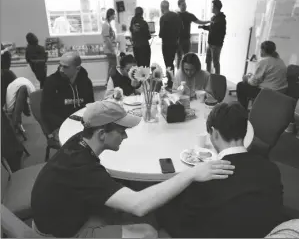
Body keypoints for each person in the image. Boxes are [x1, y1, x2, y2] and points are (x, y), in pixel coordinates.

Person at [31, 99, 235, 238]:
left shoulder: (79, 141)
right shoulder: (83, 168)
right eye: (121, 132)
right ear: (102, 134)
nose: (125, 136)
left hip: (62, 214)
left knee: (122, 209)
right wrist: (191, 173)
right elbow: (139, 205)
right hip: (59, 234)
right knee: (148, 232)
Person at [156, 102, 285, 238]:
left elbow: (186, 221)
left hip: (210, 232)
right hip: (263, 232)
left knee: (164, 207)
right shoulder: (271, 169)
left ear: (215, 134)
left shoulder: (206, 178)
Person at [41, 52, 94, 143]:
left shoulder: (86, 82)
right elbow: (46, 111)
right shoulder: (51, 82)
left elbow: (90, 105)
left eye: (65, 67)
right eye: (60, 66)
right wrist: (56, 128)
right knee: (79, 144)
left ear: (77, 69)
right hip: (59, 125)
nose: (61, 70)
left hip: (82, 123)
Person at [236, 41, 288, 109]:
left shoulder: (264, 61)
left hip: (269, 93)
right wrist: (252, 76)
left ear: (263, 50)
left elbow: (253, 83)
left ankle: (242, 111)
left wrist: (246, 79)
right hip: (281, 91)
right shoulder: (280, 60)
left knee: (241, 85)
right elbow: (268, 77)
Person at [176, 0, 211, 69]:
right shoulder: (176, 15)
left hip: (187, 40)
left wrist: (208, 21)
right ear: (179, 6)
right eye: (183, 5)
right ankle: (178, 74)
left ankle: (186, 72)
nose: (185, 6)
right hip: (178, 40)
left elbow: (198, 21)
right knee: (179, 58)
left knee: (187, 58)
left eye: (185, 5)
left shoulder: (189, 15)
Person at [159, 0, 183, 88]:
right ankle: (174, 80)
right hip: (175, 43)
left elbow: (161, 34)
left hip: (166, 44)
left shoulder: (163, 18)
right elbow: (181, 28)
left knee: (168, 64)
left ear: (162, 8)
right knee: (173, 62)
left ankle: (170, 83)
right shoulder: (176, 16)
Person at [199, 0, 226, 75]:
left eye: (212, 6)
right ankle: (208, 76)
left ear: (216, 8)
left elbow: (213, 28)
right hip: (210, 43)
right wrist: (203, 27)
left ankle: (217, 78)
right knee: (208, 60)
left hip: (216, 45)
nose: (211, 8)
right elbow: (211, 27)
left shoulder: (221, 19)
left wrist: (205, 26)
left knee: (215, 62)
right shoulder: (213, 18)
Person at [102, 8, 117, 88]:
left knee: (112, 66)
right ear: (111, 15)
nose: (115, 16)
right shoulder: (106, 25)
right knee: (113, 66)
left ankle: (109, 83)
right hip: (109, 49)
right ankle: (108, 83)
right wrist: (112, 50)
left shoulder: (108, 24)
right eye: (114, 14)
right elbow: (107, 39)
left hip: (111, 48)